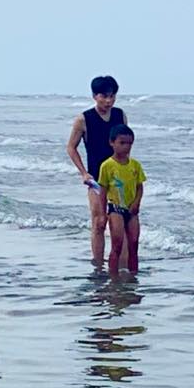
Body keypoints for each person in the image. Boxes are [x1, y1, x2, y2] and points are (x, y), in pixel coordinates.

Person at [65, 75, 124, 269]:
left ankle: (120, 265)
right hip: (96, 179)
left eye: (112, 96)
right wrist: (83, 172)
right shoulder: (84, 119)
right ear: (94, 96)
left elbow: (125, 143)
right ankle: (98, 265)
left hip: (118, 178)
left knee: (120, 222)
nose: (108, 101)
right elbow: (71, 147)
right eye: (104, 96)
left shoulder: (120, 115)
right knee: (99, 222)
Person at [97, 124, 146, 277]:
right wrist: (102, 214)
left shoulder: (135, 165)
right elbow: (103, 191)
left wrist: (137, 202)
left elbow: (140, 186)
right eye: (122, 143)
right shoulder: (107, 165)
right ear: (112, 142)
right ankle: (113, 276)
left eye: (130, 143)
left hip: (131, 211)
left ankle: (133, 275)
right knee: (117, 245)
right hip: (116, 209)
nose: (126, 147)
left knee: (134, 244)